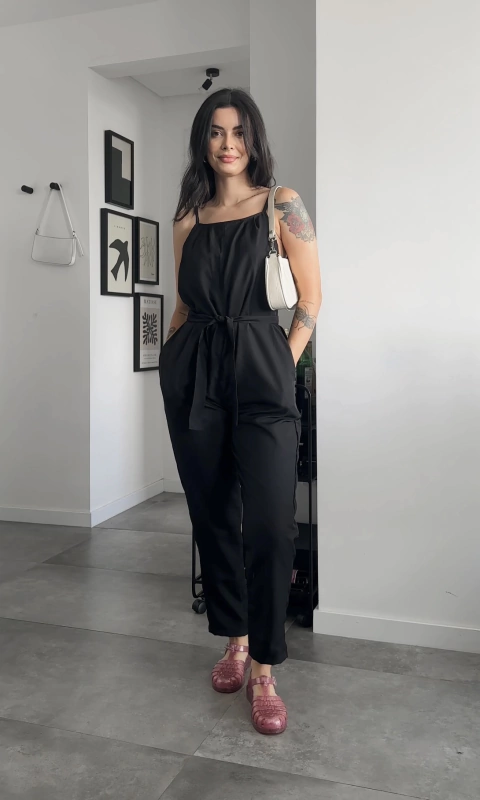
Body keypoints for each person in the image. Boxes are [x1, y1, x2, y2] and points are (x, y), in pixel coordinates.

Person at [159, 87, 322, 735]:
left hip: (262, 369)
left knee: (273, 524)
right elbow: (182, 303)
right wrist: (171, 362)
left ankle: (265, 668)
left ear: (254, 139)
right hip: (194, 372)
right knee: (213, 514)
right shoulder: (188, 218)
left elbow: (311, 299)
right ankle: (234, 639)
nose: (228, 145)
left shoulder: (282, 204)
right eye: (215, 132)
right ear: (202, 141)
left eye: (238, 132)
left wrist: (282, 363)